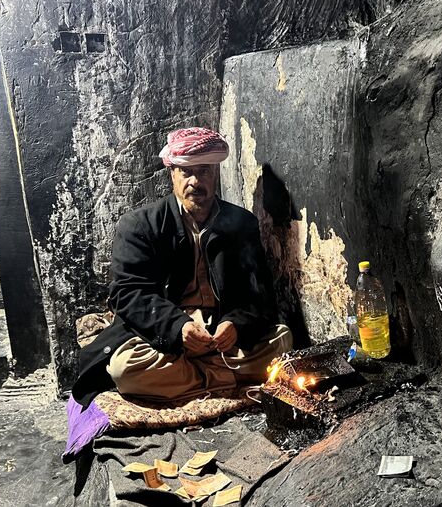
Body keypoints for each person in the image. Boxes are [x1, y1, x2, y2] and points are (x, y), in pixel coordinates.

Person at [71, 127, 292, 408]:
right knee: (125, 369)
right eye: (186, 172)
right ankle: (224, 377)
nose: (195, 182)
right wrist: (178, 327)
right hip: (167, 337)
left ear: (215, 174)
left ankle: (190, 381)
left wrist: (236, 324)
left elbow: (259, 295)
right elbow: (127, 294)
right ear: (172, 174)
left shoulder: (242, 223)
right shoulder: (139, 225)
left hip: (220, 335)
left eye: (204, 171)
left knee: (283, 339)